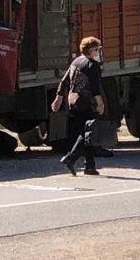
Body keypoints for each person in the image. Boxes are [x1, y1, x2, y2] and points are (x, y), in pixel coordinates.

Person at [51, 36, 105, 176]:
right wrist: (100, 103)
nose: (98, 52)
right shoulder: (92, 65)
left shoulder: (76, 61)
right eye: (97, 49)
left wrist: (58, 98)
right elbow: (95, 88)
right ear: (91, 50)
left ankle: (89, 166)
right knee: (88, 132)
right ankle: (71, 158)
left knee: (84, 131)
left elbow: (64, 81)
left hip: (72, 100)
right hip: (85, 101)